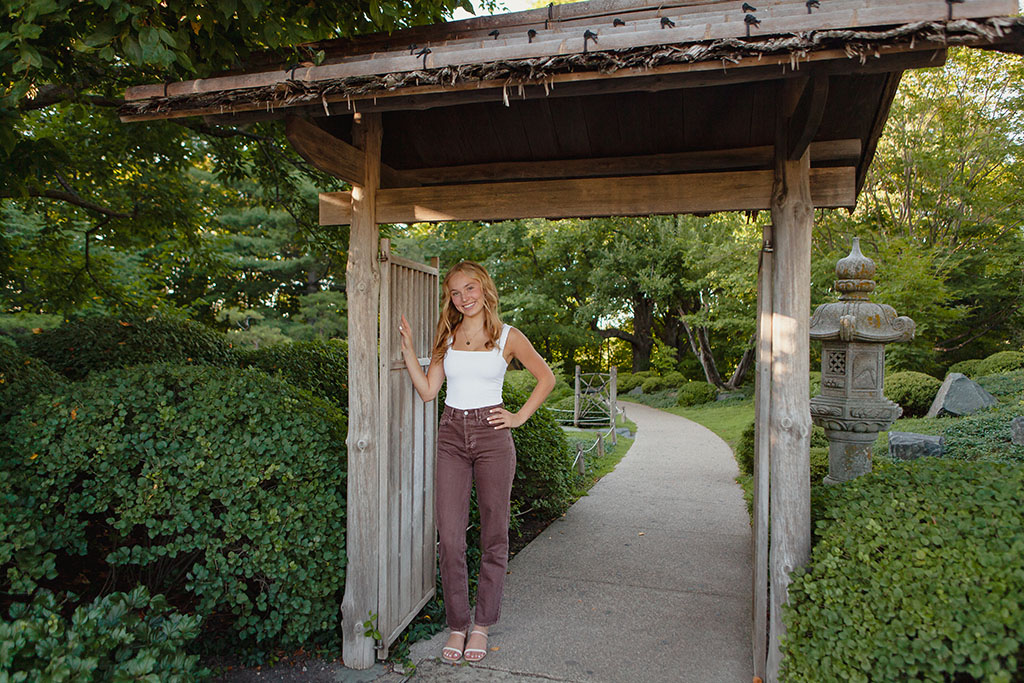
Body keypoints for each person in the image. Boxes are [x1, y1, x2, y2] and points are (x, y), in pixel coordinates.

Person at [398, 260, 555, 664]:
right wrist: (409, 353)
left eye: (469, 288)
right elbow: (429, 392)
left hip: (491, 436)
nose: (463, 298)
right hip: (451, 434)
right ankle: (458, 624)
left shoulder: (507, 336)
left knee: (494, 534)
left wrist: (518, 417)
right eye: (455, 292)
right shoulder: (447, 335)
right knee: (450, 537)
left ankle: (482, 624)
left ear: (484, 289)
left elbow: (547, 378)